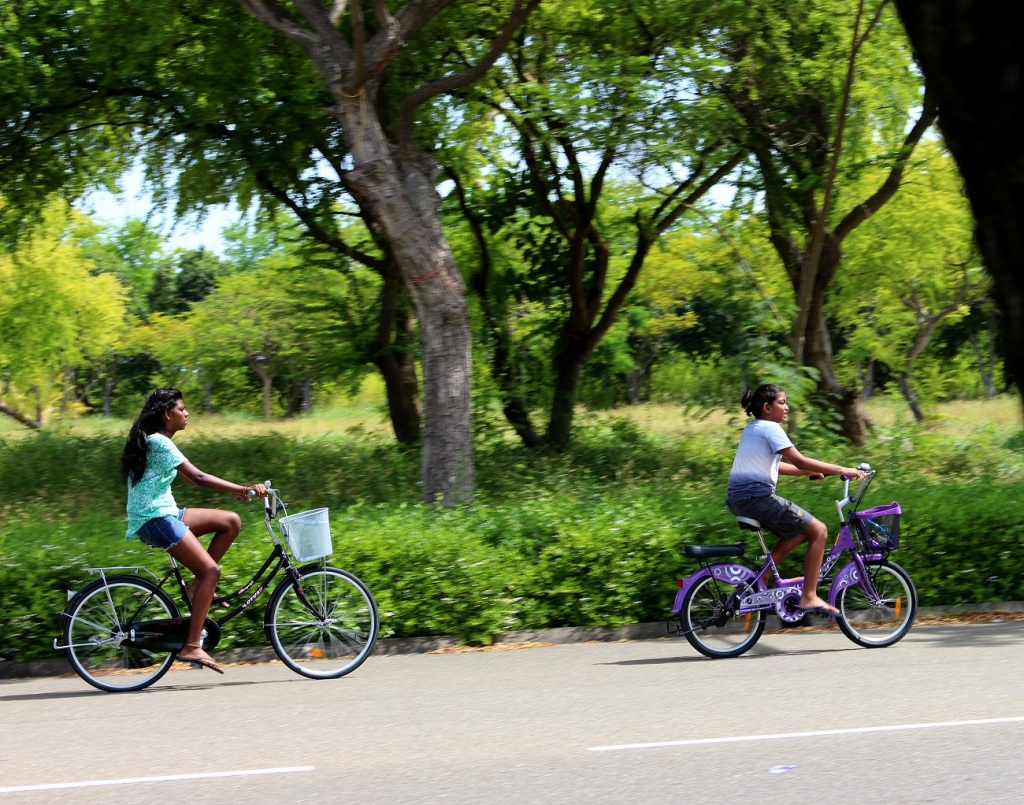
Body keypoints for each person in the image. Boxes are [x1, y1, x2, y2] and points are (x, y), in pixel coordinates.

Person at [120, 387, 267, 673]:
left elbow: (189, 478)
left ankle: (198, 586)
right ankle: (190, 646)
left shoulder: (157, 442)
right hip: (156, 519)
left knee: (230, 522)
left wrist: (236, 493)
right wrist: (245, 488)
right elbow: (198, 477)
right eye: (182, 409)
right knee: (212, 571)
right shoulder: (160, 442)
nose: (186, 413)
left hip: (165, 514)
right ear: (167, 414)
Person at [725, 383, 865, 615]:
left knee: (798, 529)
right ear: (767, 407)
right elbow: (799, 460)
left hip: (739, 500)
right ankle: (809, 596)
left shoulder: (753, 429)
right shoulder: (771, 429)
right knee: (819, 531)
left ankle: (764, 575)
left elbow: (777, 467)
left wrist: (808, 472)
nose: (787, 407)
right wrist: (843, 469)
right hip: (757, 498)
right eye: (782, 402)